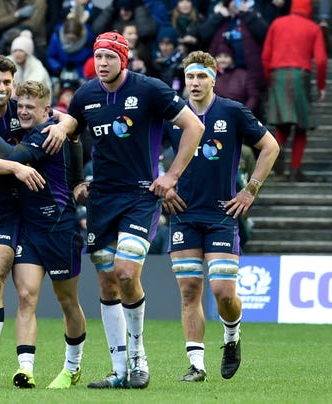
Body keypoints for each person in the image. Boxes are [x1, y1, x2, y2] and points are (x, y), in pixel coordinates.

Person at [66, 32, 205, 389]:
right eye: (98, 56)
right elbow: (73, 137)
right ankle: (117, 371)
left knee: (126, 272)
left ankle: (138, 357)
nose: (102, 63)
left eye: (110, 57)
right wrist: (77, 180)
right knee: (107, 281)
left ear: (123, 60)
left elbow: (194, 126)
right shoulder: (85, 95)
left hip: (140, 196)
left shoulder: (150, 89)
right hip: (101, 199)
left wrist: (171, 176)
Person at [0, 54, 75, 388]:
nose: (2, 88)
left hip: (8, 214)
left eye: (7, 82)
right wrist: (17, 168)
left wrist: (65, 124)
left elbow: (61, 117)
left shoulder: (20, 111)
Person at [166, 51, 279, 382]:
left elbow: (271, 147)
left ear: (214, 79)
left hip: (221, 215)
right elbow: (146, 151)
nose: (196, 82)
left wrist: (250, 190)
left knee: (223, 293)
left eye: (202, 76)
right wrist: (163, 186)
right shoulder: (172, 115)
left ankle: (232, 337)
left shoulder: (231, 111)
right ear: (184, 80)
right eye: (190, 77)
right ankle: (196, 364)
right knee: (189, 289)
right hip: (183, 214)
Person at [0, 80, 86, 388]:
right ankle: (25, 368)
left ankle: (73, 365)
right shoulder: (45, 128)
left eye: (31, 108)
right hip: (29, 229)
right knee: (25, 296)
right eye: (21, 106)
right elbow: (74, 132)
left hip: (59, 229)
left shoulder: (45, 134)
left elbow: (9, 157)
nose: (24, 112)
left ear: (47, 111)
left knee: (67, 300)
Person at [261, 0, 327, 182]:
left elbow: (266, 56)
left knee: (282, 123)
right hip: (300, 76)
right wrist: (321, 86)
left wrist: (269, 79)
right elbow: (321, 60)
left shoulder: (277, 23)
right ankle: (295, 170)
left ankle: (277, 153)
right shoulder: (313, 28)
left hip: (277, 76)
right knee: (301, 126)